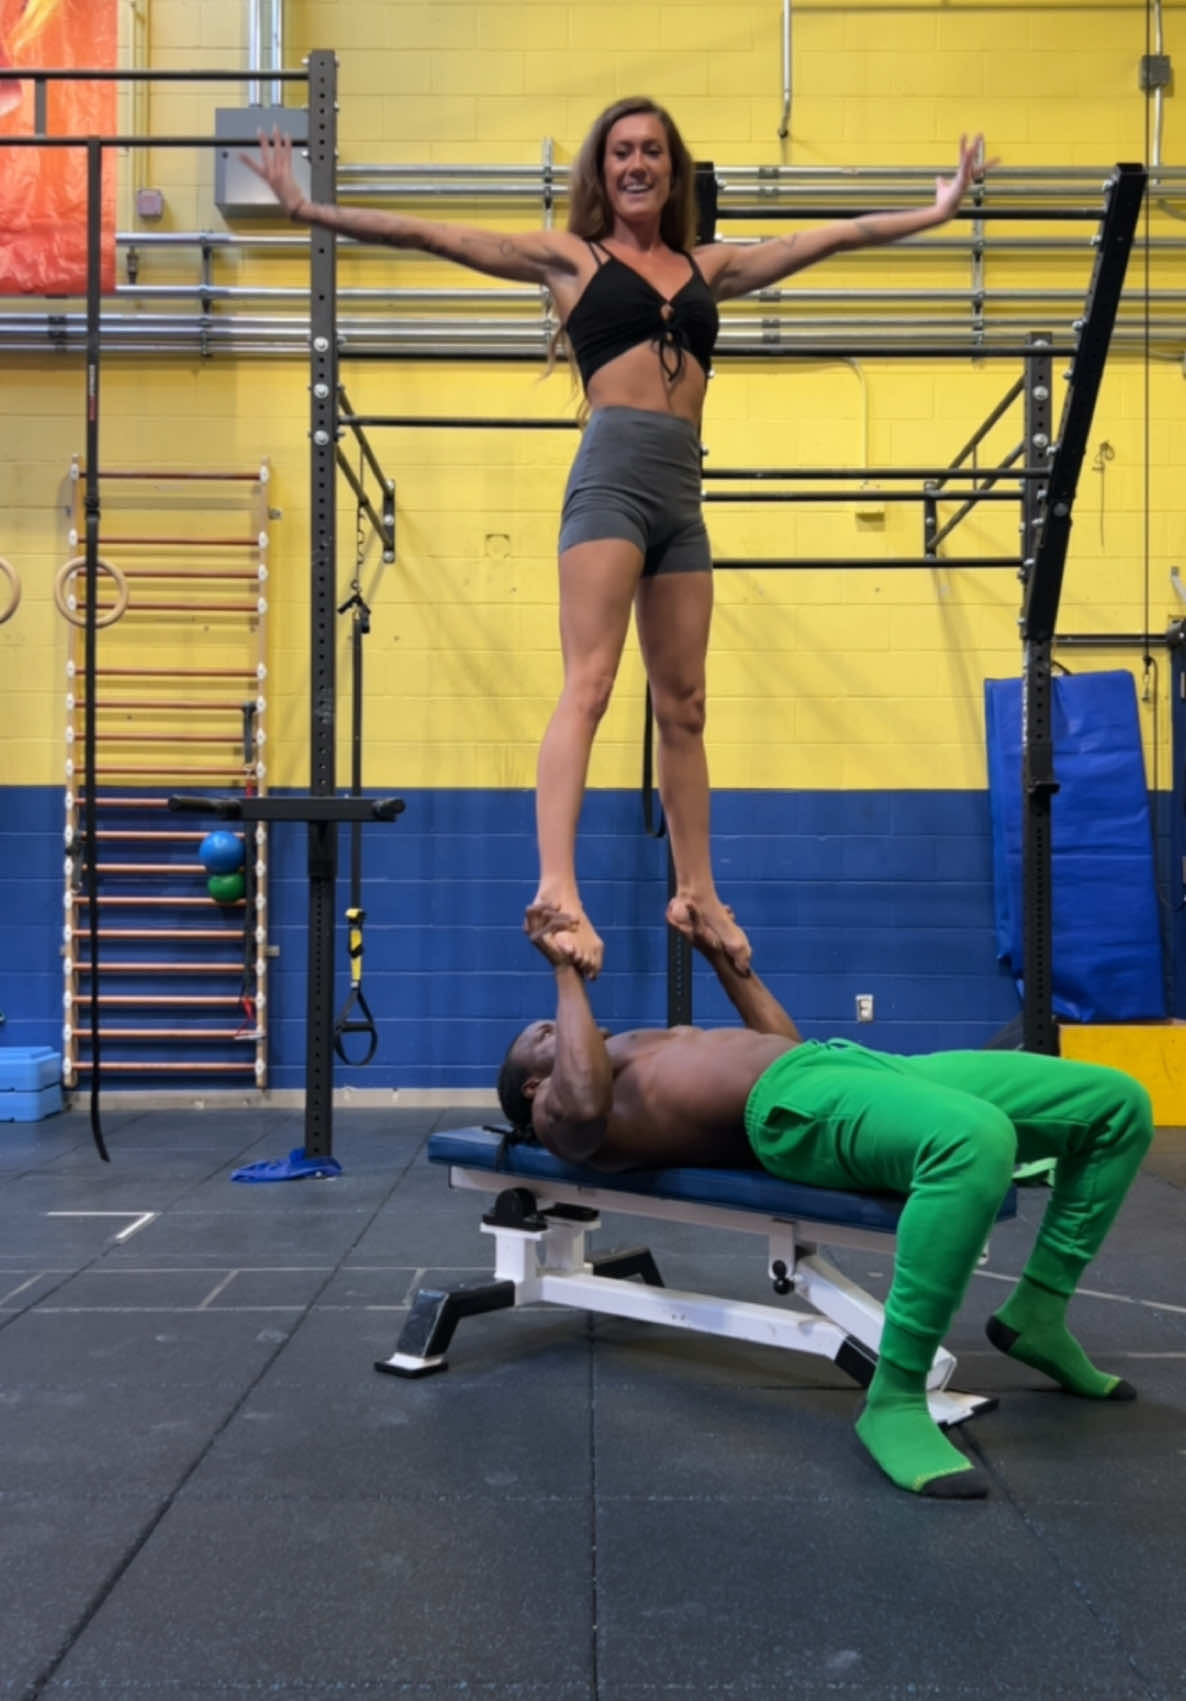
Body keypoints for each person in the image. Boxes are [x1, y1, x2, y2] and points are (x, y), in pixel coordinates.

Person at [245, 108, 988, 980]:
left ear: (674, 171)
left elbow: (819, 240)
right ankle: (557, 884)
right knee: (590, 683)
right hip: (611, 481)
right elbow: (435, 234)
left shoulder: (708, 266)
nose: (638, 164)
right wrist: (309, 210)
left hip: (682, 491)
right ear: (603, 171)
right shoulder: (572, 259)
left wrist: (933, 213)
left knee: (687, 704)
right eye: (622, 152)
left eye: (654, 152)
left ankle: (699, 889)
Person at [497, 900, 1154, 1500]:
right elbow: (582, 1100)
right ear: (531, 1086)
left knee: (1116, 1106)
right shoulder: (561, 1113)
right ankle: (894, 1400)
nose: (552, 1026)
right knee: (974, 1140)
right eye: (540, 1034)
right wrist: (565, 973)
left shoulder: (623, 1048)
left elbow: (784, 1047)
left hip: (835, 1065)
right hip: (785, 1113)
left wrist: (727, 963)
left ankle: (1038, 1309)